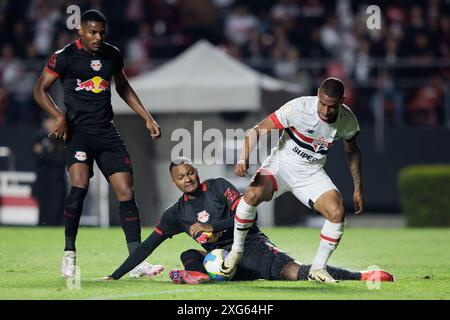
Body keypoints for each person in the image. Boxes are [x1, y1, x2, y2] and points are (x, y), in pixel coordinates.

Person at [102, 158, 393, 284]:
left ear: (196, 172)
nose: (188, 179)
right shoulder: (175, 214)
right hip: (226, 263)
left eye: (191, 173)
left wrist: (211, 227)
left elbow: (247, 216)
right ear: (173, 181)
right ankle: (203, 276)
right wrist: (115, 275)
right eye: (181, 176)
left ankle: (362, 276)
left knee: (296, 272)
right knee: (189, 254)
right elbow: (146, 247)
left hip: (252, 247)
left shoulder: (216, 186)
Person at [33, 10, 163, 278]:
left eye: (102, 32)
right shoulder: (65, 56)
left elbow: (123, 86)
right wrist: (58, 116)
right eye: (92, 32)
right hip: (78, 134)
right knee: (79, 188)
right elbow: (39, 89)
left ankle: (137, 261)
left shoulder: (112, 54)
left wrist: (147, 118)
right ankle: (69, 254)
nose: (98, 37)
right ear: (80, 31)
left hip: (106, 133)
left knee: (126, 191)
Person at [222, 77, 363, 283]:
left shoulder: (348, 120)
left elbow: (352, 152)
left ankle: (318, 268)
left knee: (337, 212)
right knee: (252, 194)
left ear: (342, 101)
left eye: (331, 106)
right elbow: (258, 130)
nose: (325, 110)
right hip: (280, 166)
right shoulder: (298, 108)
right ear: (317, 94)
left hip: (310, 173)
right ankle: (236, 250)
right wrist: (244, 158)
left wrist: (358, 187)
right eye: (322, 103)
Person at [32, 117, 67, 226]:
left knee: (56, 207)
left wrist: (44, 153)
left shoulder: (61, 139)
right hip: (42, 179)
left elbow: (61, 159)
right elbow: (35, 156)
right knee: (43, 207)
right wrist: (49, 154)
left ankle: (55, 228)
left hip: (57, 180)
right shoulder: (39, 138)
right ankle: (42, 227)